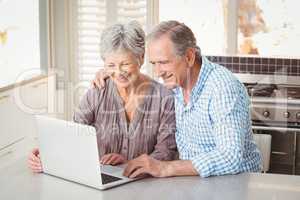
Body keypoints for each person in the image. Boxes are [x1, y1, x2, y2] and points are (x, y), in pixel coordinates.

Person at [93, 20, 262, 178]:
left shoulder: (221, 87)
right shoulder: (177, 85)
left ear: (189, 57)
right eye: (154, 64)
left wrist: (166, 167)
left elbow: (230, 157)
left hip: (234, 184)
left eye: (164, 62)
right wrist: (112, 73)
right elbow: (141, 80)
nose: (158, 72)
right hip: (197, 183)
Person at [28, 21, 177, 173]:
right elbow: (74, 135)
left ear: (141, 57)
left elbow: (166, 152)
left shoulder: (165, 99)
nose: (118, 72)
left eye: (125, 64)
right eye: (111, 65)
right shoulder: (98, 91)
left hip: (146, 186)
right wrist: (47, 153)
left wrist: (129, 162)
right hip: (100, 182)